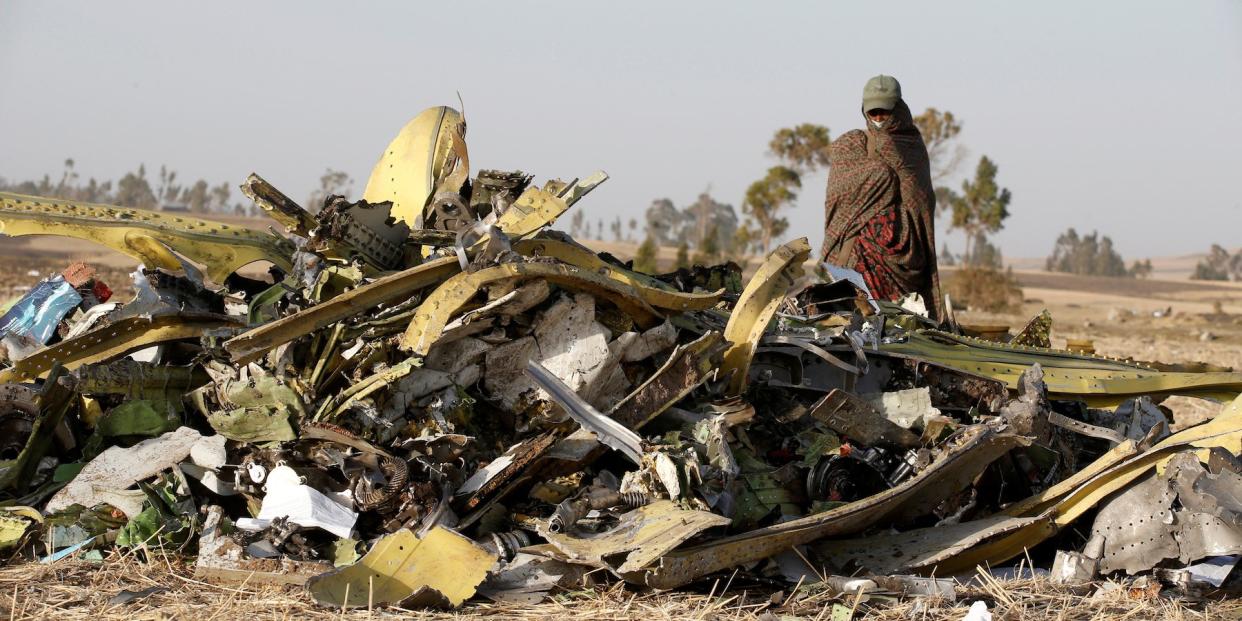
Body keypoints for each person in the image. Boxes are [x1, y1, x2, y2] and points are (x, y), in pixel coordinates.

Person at [821, 74, 942, 320]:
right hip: (858, 251)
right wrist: (879, 176)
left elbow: (921, 204)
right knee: (856, 322)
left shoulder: (912, 147)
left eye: (884, 113)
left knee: (901, 324)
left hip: (905, 255)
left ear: (897, 109)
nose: (878, 119)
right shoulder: (852, 145)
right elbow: (838, 198)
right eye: (873, 113)